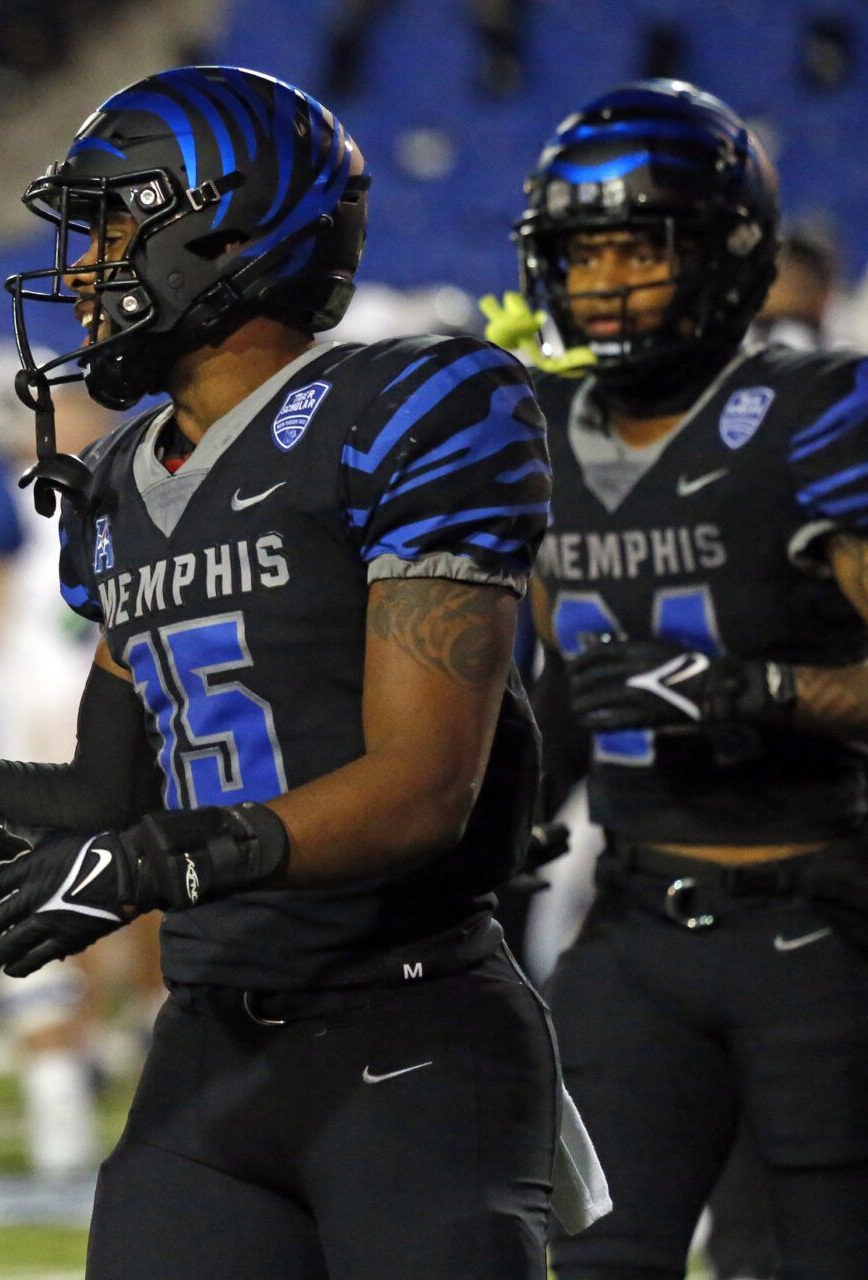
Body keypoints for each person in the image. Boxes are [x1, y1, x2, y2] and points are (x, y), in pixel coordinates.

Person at [0, 65, 607, 1279]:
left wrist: (161, 859)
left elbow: (421, 787)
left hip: (413, 1033)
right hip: (209, 1047)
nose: (81, 266)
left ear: (229, 228)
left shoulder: (411, 407)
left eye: (115, 223)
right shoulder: (129, 481)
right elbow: (100, 805)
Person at [501, 79, 868, 1279]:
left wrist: (747, 692)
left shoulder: (816, 413)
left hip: (824, 920)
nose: (601, 281)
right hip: (636, 928)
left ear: (724, 251)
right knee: (595, 1258)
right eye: (580, 252)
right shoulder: (539, 434)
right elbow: (569, 681)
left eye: (634, 248)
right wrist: (495, 825)